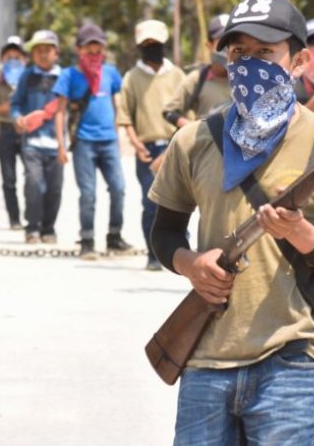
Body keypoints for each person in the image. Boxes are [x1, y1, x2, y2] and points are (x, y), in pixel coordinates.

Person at [149, 0, 314, 445]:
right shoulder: (194, 140)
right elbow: (164, 231)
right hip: (204, 363)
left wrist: (302, 233)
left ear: (298, 60)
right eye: (238, 53)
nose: (249, 64)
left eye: (265, 53)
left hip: (290, 362)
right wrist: (190, 264)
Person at [53, 22, 133, 259]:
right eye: (90, 51)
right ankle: (87, 239)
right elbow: (60, 111)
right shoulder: (69, 76)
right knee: (88, 194)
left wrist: (123, 137)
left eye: (99, 52)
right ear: (79, 50)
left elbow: (117, 104)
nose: (95, 56)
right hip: (83, 143)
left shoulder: (111, 73)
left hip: (108, 141)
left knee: (119, 188)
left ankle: (114, 237)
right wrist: (60, 144)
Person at [116, 19, 185, 270]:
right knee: (150, 203)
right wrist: (137, 145)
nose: (151, 47)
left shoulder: (177, 75)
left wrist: (179, 144)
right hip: (147, 150)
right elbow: (125, 116)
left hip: (176, 146)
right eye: (146, 44)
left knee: (179, 201)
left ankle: (180, 252)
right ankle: (154, 255)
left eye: (155, 43)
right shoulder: (132, 78)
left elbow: (187, 112)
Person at [11, 30, 63, 244]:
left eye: (47, 50)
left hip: (57, 144)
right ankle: (32, 227)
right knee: (33, 183)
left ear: (56, 53)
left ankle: (49, 228)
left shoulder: (65, 77)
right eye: (38, 50)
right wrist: (17, 118)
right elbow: (15, 103)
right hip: (31, 143)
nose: (43, 55)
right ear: (32, 54)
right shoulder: (26, 76)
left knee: (54, 188)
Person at [0, 36, 27, 230]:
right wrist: (3, 107)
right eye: (8, 56)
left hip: (27, 132)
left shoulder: (29, 80)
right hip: (6, 131)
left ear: (24, 59)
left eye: (16, 56)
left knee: (33, 176)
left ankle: (32, 214)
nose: (13, 60)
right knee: (9, 179)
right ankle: (14, 219)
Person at [162, 14, 232, 128]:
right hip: (206, 144)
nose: (227, 47)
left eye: (232, 41)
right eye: (222, 42)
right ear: (209, 45)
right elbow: (169, 112)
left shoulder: (245, 80)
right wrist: (193, 129)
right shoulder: (197, 79)